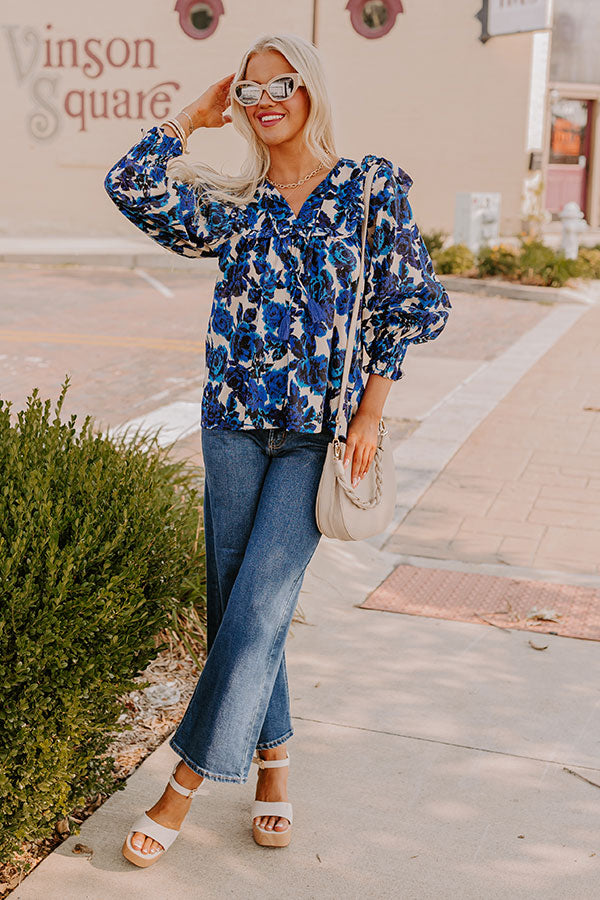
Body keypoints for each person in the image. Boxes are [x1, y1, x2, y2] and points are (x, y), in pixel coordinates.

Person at [104, 31, 451, 866]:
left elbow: (409, 306)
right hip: (231, 423)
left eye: (280, 83)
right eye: (250, 90)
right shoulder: (236, 204)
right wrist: (190, 119)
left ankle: (183, 782)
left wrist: (370, 417)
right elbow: (131, 184)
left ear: (310, 88)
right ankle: (275, 763)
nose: (265, 101)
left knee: (260, 606)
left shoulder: (367, 187)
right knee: (239, 609)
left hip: (317, 436)